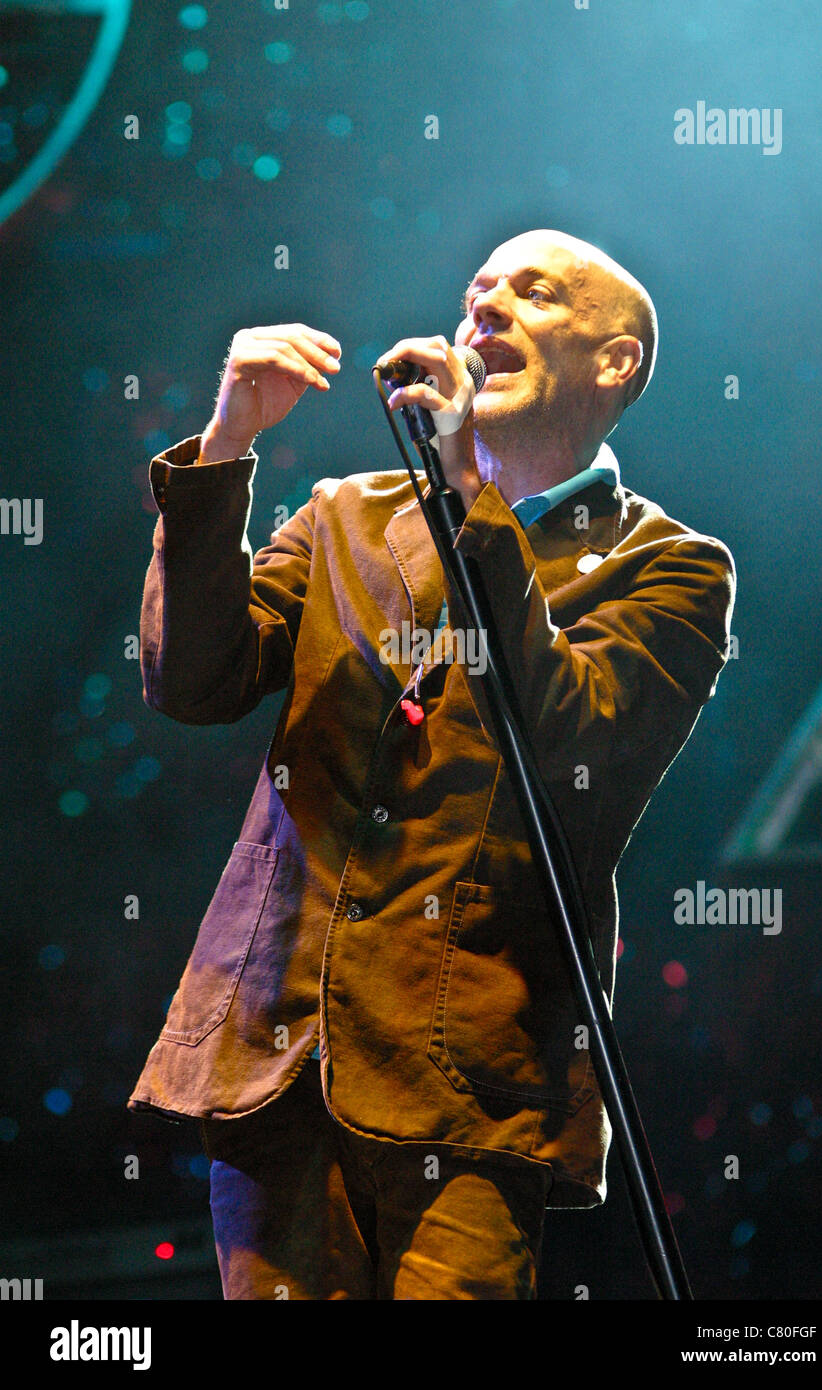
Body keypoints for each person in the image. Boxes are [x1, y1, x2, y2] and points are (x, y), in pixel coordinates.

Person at [128, 229, 736, 1300]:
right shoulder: (343, 515)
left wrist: (464, 484)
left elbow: (571, 744)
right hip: (277, 1054)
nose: (484, 309)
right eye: (475, 292)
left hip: (469, 1078)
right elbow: (190, 681)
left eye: (531, 294)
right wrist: (226, 444)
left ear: (614, 360)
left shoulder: (669, 569)